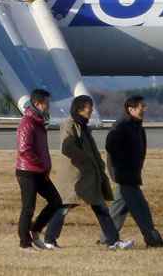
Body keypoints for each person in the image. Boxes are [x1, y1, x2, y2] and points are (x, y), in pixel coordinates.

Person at [45, 95, 134, 250]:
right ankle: (49, 240)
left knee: (100, 208)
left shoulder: (85, 127)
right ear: (79, 108)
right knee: (63, 208)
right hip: (74, 178)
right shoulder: (69, 124)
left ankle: (113, 241)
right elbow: (67, 147)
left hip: (89, 177)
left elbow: (90, 151)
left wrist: (97, 167)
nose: (91, 109)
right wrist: (86, 161)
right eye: (88, 106)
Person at [104, 95, 163, 248]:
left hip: (131, 175)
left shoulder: (136, 126)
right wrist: (120, 168)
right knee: (141, 209)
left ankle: (105, 238)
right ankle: (153, 240)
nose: (144, 109)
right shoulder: (122, 125)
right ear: (131, 109)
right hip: (125, 175)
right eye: (141, 106)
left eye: (144, 106)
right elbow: (110, 147)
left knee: (118, 209)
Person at [15, 89, 62, 251]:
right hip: (27, 172)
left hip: (40, 171)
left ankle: (35, 231)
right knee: (28, 207)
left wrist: (45, 168)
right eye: (46, 104)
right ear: (37, 103)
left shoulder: (39, 121)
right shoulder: (27, 122)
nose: (48, 107)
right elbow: (24, 150)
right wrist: (41, 166)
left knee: (56, 201)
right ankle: (24, 243)